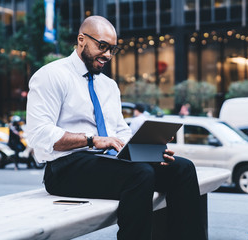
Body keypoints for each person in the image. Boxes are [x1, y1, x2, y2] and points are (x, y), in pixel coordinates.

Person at [26, 15, 206, 240]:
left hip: (109, 162)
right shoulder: (51, 75)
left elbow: (121, 131)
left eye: (112, 49)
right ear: (82, 39)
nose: (108, 55)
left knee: (183, 169)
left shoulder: (108, 85)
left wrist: (148, 151)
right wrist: (92, 139)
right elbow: (38, 134)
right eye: (102, 46)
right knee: (140, 174)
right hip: (65, 168)